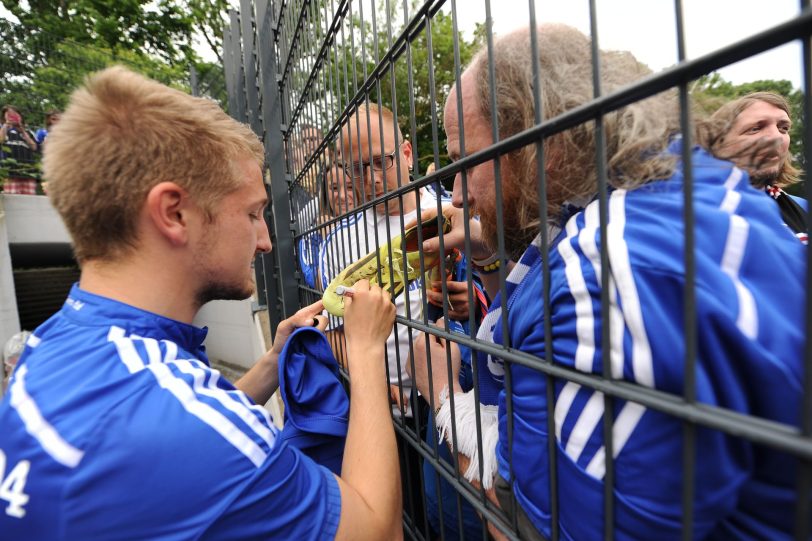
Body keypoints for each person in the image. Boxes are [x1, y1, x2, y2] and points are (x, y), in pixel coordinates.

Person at [408, 24, 804, 540]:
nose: (457, 194)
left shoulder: (594, 275)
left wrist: (440, 393)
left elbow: (524, 526)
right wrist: (494, 249)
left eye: (467, 160)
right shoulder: (703, 188)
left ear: (540, 141)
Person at [0, 66, 402, 541]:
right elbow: (375, 530)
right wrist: (366, 349)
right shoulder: (180, 426)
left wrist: (273, 363)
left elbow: (185, 423)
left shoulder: (54, 342)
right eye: (252, 213)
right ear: (174, 213)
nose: (265, 241)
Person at [318, 102, 486, 537]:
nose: (371, 178)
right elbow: (332, 331)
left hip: (451, 399)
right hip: (380, 407)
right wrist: (370, 373)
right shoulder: (339, 241)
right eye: (357, 168)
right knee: (401, 515)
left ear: (408, 153)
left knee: (451, 517)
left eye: (382, 161)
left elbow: (490, 289)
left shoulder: (454, 214)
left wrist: (468, 301)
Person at [696, 91, 806, 243]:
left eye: (783, 128)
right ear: (717, 144)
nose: (776, 137)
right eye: (755, 128)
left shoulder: (804, 207)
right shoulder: (695, 209)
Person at [0, 105, 39, 195]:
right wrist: (6, 125)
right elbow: (1, 140)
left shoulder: (28, 132)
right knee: (11, 198)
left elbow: (34, 147)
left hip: (28, 172)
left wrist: (23, 132)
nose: (12, 116)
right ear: (4, 117)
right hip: (10, 171)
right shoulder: (3, 129)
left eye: (15, 114)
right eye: (9, 114)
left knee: (29, 199)